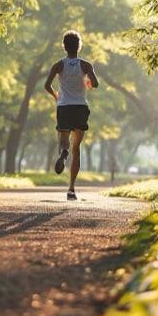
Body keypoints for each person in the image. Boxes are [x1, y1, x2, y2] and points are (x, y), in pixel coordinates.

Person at [44, 30, 99, 201]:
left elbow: (47, 85)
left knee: (63, 142)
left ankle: (63, 153)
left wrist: (56, 95)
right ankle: (71, 189)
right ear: (79, 46)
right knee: (77, 148)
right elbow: (95, 84)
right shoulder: (86, 65)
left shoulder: (58, 65)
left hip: (64, 107)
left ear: (64, 47)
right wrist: (88, 83)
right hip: (80, 108)